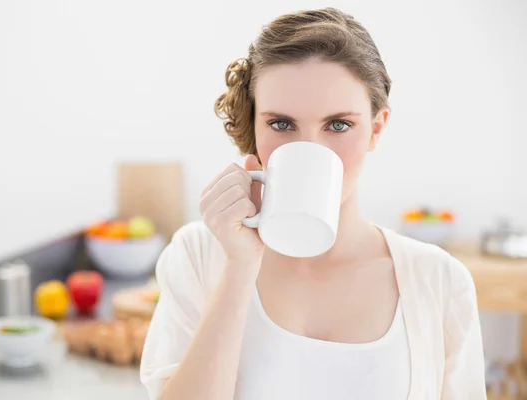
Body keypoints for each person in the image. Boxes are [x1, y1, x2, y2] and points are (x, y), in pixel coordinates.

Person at [140, 7, 486, 400]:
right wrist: (240, 267)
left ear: (375, 128)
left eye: (338, 125)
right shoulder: (199, 254)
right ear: (253, 126)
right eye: (281, 124)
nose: (309, 149)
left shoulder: (439, 281)